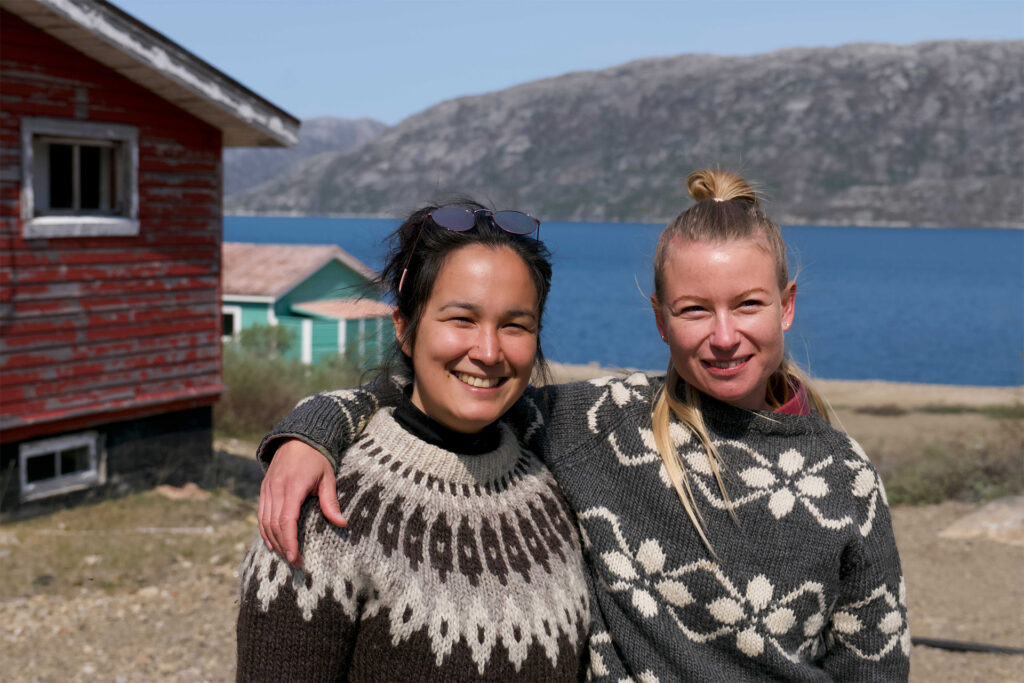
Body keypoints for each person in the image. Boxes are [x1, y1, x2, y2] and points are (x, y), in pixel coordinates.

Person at [255, 170, 910, 681]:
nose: (723, 335)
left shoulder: (846, 476)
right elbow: (447, 396)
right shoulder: (600, 427)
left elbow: (874, 667)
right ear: (658, 319)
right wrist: (311, 430)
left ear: (787, 304)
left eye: (748, 304)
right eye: (693, 309)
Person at [235, 201, 592, 681]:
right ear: (404, 328)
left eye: (515, 325)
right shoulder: (324, 506)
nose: (488, 351)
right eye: (461, 319)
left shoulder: (554, 489)